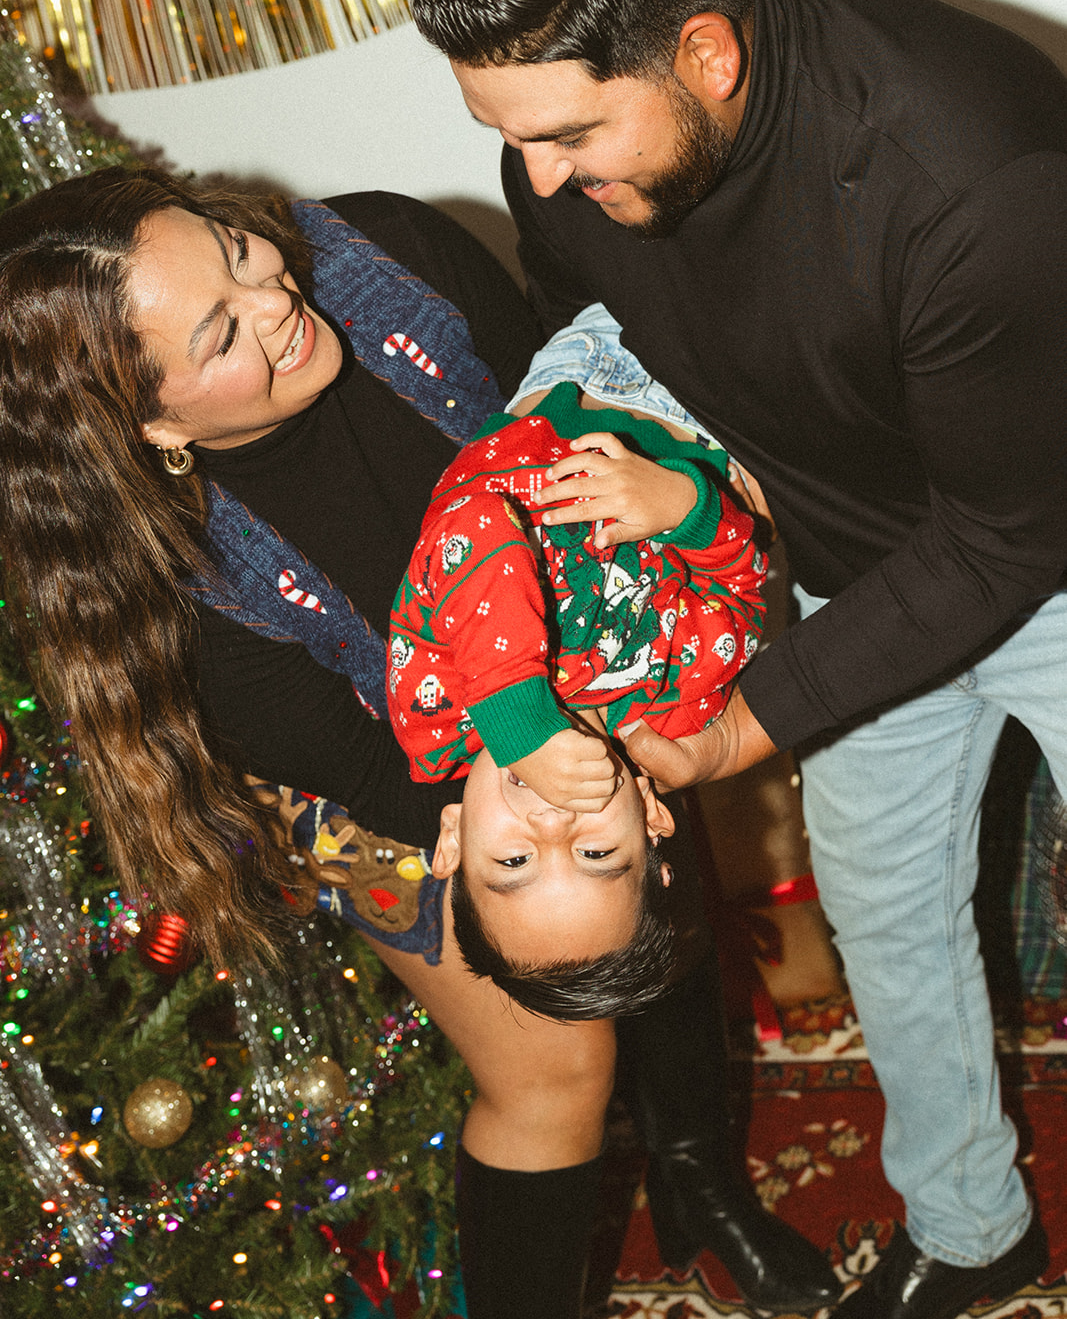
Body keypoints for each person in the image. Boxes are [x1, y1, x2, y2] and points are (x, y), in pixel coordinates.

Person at [407, 0, 1067, 1319]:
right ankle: (972, 1232)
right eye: (506, 137)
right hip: (850, 577)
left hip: (1042, 542)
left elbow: (1004, 535)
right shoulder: (563, 164)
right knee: (886, 920)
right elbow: (633, 359)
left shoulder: (971, 169)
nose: (536, 181)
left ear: (704, 53)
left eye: (566, 134)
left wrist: (731, 730)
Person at [0, 166, 838, 1318]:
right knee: (555, 1069)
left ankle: (701, 1183)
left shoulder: (391, 253)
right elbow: (367, 769)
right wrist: (548, 793)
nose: (277, 298)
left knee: (639, 884)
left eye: (237, 252)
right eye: (221, 332)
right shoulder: (179, 589)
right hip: (391, 770)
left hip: (583, 645)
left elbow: (570, 411)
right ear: (153, 425)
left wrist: (613, 739)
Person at [388, 372, 766, 1010]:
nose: (552, 822)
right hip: (706, 420)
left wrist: (520, 722)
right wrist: (684, 507)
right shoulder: (671, 716)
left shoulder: (437, 714)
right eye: (595, 852)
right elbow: (740, 596)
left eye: (514, 863)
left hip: (578, 388)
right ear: (650, 817)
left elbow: (469, 523)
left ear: (452, 839)